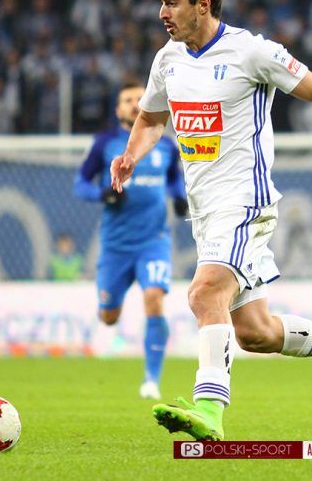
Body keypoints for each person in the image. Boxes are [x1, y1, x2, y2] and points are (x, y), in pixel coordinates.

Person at [110, 0, 312, 441]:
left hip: (244, 202)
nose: (161, 12)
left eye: (171, 2)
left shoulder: (252, 52)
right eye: (161, 2)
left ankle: (209, 410)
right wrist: (131, 155)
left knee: (204, 294)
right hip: (206, 211)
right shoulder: (168, 59)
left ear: (203, 5)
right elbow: (153, 118)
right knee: (255, 333)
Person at [74, 81, 188, 400]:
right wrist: (103, 194)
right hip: (116, 246)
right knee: (108, 316)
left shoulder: (165, 145)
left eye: (140, 97)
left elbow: (174, 180)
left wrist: (180, 197)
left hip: (154, 240)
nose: (135, 103)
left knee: (154, 297)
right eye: (128, 100)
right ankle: (109, 309)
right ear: (117, 109)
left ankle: (151, 380)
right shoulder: (104, 144)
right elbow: (80, 183)